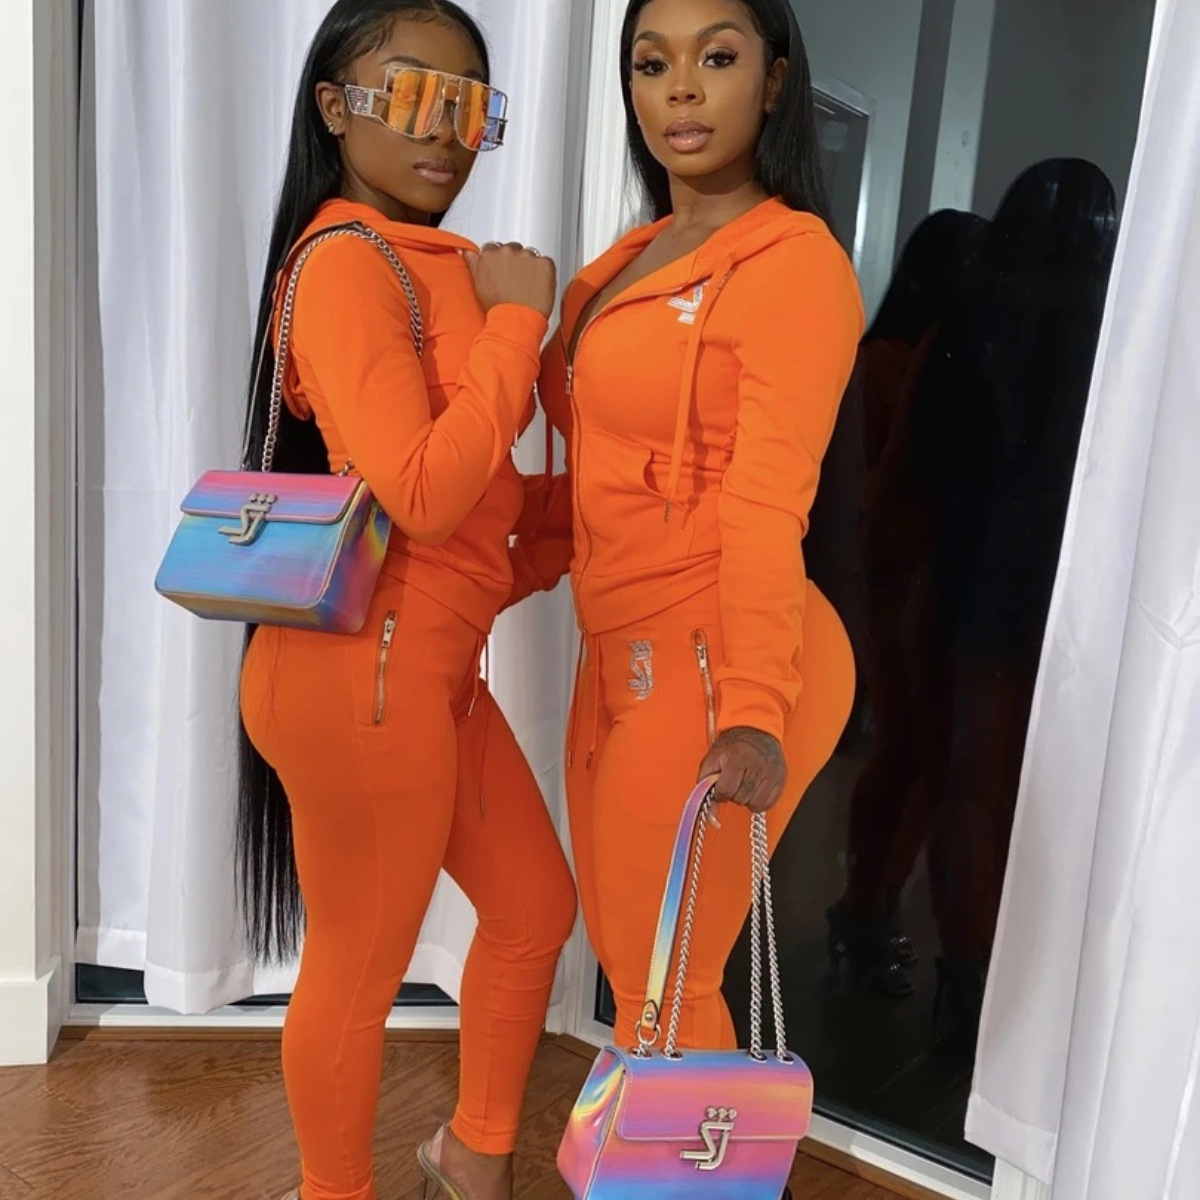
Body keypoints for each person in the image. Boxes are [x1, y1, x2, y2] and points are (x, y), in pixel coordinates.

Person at [236, 3, 576, 1199]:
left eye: (471, 104)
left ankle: (473, 1155)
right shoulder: (345, 263)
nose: (447, 130)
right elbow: (425, 495)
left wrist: (584, 517)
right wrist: (519, 325)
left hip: (421, 673)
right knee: (359, 966)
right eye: (416, 94)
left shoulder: (440, 265)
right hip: (359, 682)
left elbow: (469, 537)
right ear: (336, 109)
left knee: (533, 908)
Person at [537, 0, 863, 1123]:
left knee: (665, 989)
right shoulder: (629, 261)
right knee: (640, 969)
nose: (680, 86)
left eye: (717, 57)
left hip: (725, 653)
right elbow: (602, 465)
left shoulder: (796, 266)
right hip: (619, 647)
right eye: (651, 61)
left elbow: (769, 502)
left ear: (773, 82)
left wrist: (759, 708)